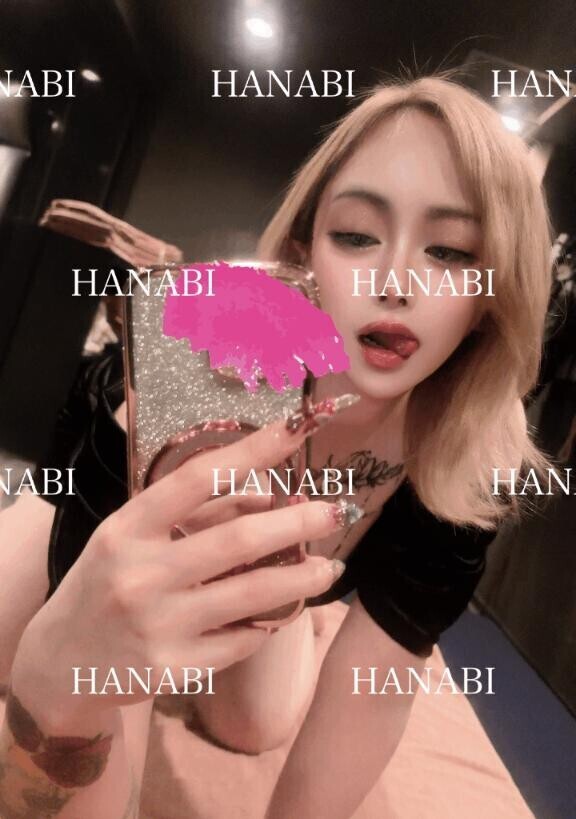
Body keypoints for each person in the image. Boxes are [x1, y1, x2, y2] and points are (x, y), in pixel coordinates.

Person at [0, 75, 552, 819]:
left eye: (450, 251)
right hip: (94, 492)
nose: (396, 282)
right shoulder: (195, 376)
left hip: (269, 571)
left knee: (254, 726)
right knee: (32, 666)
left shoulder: (467, 451)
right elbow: (97, 681)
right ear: (303, 251)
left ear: (490, 295)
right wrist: (68, 688)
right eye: (356, 235)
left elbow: (380, 678)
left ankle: (278, 604)